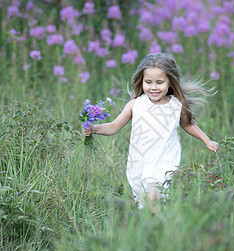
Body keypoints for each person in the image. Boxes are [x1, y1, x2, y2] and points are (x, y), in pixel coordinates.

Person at [82, 53, 219, 213]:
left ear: (170, 83)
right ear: (142, 81)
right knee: (145, 203)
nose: (153, 87)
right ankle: (154, 230)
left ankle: (157, 226)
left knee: (154, 195)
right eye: (148, 82)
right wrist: (94, 129)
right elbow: (114, 126)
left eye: (159, 82)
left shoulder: (175, 106)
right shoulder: (136, 104)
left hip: (165, 162)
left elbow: (188, 125)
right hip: (140, 161)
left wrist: (207, 140)